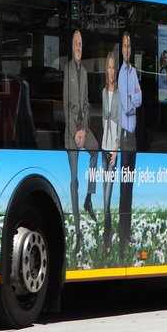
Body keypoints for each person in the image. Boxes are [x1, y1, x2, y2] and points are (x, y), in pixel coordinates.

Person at [64, 29, 99, 252]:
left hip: (82, 131)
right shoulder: (67, 70)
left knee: (96, 150)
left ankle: (89, 198)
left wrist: (84, 130)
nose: (78, 48)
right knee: (74, 180)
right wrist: (74, 132)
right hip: (70, 134)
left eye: (81, 45)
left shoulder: (85, 73)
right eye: (76, 44)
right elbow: (65, 105)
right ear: (71, 46)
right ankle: (76, 232)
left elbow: (86, 104)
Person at [117, 28, 142, 260]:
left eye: (129, 46)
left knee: (130, 186)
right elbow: (127, 105)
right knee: (123, 187)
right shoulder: (121, 74)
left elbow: (138, 98)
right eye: (124, 46)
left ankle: (127, 230)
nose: (127, 50)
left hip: (132, 136)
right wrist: (132, 99)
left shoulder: (133, 72)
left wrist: (133, 99)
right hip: (124, 134)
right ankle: (122, 233)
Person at [99, 51, 121, 253]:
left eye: (114, 67)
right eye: (109, 67)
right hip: (103, 149)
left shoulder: (119, 94)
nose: (111, 70)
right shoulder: (104, 93)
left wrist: (116, 150)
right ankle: (107, 239)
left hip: (112, 150)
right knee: (103, 197)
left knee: (107, 197)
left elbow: (120, 124)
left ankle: (107, 239)